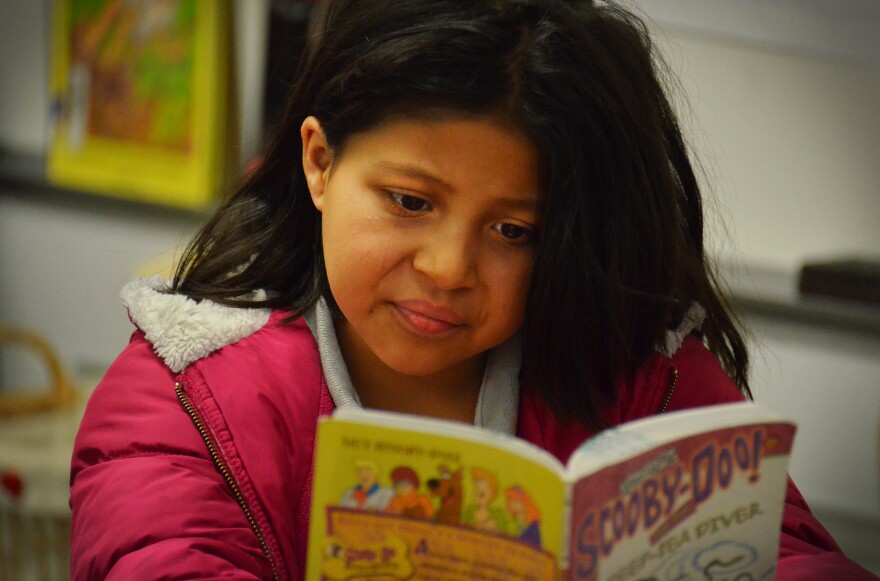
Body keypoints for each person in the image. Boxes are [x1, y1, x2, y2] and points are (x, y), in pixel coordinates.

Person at [69, 0, 877, 579]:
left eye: (514, 231)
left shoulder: (640, 370)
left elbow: (791, 551)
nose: (449, 268)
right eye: (410, 202)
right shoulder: (182, 397)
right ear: (319, 163)